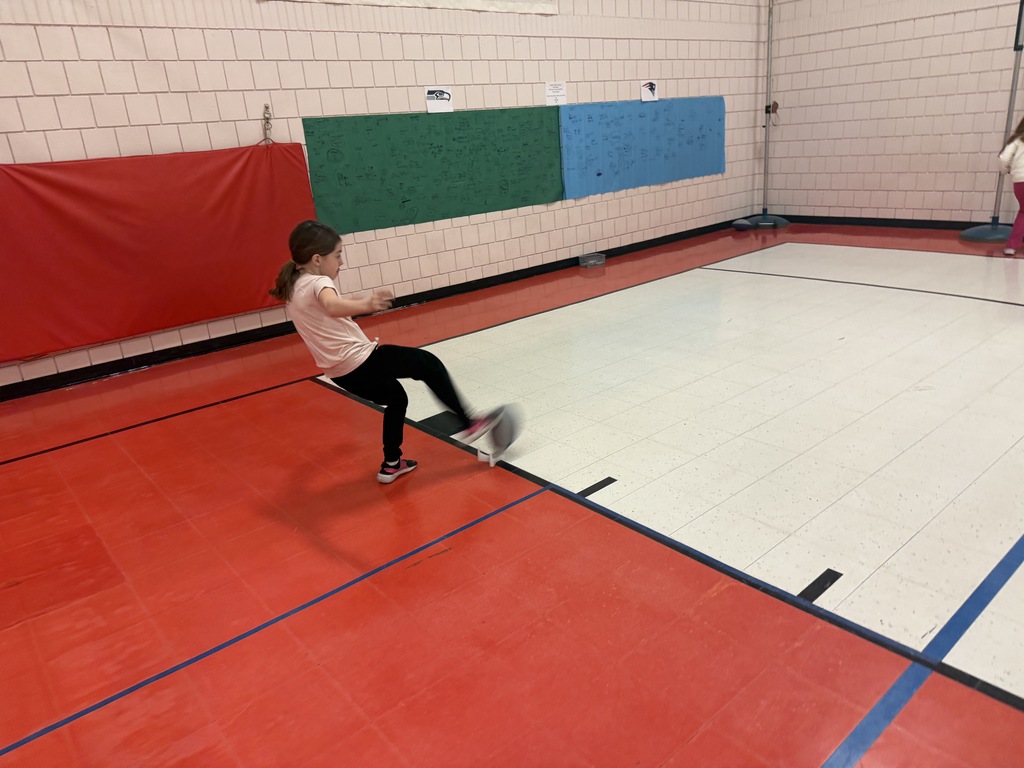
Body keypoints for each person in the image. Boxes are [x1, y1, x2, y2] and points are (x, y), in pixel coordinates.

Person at [270, 220, 501, 483]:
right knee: (428, 363)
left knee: (396, 398)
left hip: (340, 374)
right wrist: (366, 303)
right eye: (338, 255)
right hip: (360, 361)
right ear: (317, 259)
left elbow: (328, 309)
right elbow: (332, 306)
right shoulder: (318, 281)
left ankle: (392, 463)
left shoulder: (295, 285)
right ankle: (469, 422)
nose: (341, 262)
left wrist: (354, 302)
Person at [998, 117, 1024, 257]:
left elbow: (1003, 158)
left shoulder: (1016, 140)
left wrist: (1005, 170)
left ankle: (1011, 247)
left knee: (1023, 213)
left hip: (1019, 181)